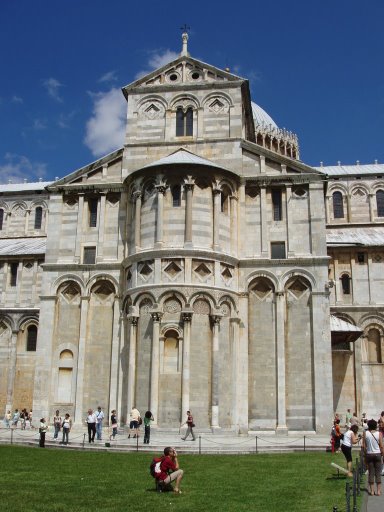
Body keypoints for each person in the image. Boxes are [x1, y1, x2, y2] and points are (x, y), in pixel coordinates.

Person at [362, 419, 383, 496]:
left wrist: (365, 454)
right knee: (378, 473)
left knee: (371, 472)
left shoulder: (365, 433)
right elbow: (381, 445)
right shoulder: (379, 434)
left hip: (369, 454)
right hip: (377, 454)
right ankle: (378, 491)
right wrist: (382, 455)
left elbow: (364, 445)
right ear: (375, 426)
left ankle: (371, 491)